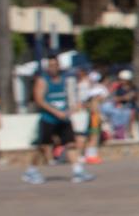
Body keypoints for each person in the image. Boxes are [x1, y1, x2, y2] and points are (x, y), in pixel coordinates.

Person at [23, 55, 89, 184]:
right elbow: (39, 100)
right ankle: (31, 170)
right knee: (43, 146)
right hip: (48, 118)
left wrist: (71, 109)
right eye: (50, 65)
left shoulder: (64, 80)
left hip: (63, 119)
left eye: (55, 65)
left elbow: (69, 97)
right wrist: (56, 112)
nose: (53, 68)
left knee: (71, 143)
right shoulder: (43, 80)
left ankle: (78, 171)